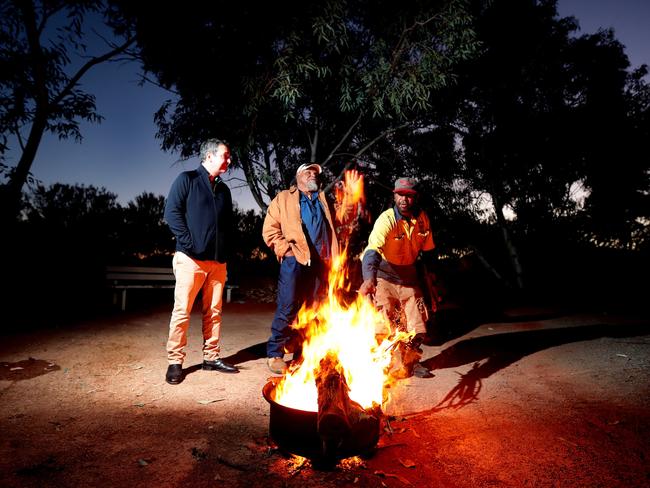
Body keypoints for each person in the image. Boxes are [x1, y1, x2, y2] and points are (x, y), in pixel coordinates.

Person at [262, 163, 355, 375]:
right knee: (288, 306)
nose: (313, 174)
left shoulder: (323, 200)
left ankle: (304, 352)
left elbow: (339, 223)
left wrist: (348, 203)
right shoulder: (285, 198)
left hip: (322, 262)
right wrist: (286, 250)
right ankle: (275, 353)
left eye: (315, 173)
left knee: (314, 308)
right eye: (308, 172)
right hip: (296, 261)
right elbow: (269, 229)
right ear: (298, 177)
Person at [163, 138, 238, 385]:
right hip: (190, 259)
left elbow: (227, 224)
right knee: (182, 310)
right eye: (225, 156)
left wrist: (225, 250)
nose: (229, 160)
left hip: (217, 262)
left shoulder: (223, 190)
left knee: (214, 312)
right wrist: (190, 243)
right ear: (208, 156)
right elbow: (171, 212)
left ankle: (211, 357)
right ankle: (175, 361)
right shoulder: (187, 180)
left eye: (229, 156)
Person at [359, 176, 436, 379]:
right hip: (384, 277)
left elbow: (428, 253)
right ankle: (385, 364)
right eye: (400, 195)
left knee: (417, 325)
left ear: (415, 197)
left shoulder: (423, 219)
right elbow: (372, 250)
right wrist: (369, 279)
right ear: (394, 195)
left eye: (409, 196)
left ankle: (411, 362)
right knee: (384, 324)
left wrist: (431, 280)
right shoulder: (386, 219)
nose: (404, 199)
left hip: (409, 278)